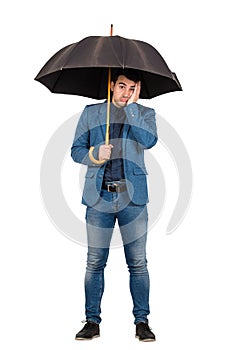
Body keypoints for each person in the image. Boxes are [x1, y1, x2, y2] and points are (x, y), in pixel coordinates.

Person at [71, 68, 158, 342]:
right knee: (95, 263)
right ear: (111, 85)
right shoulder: (91, 113)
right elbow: (75, 151)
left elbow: (149, 141)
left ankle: (142, 322)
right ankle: (92, 321)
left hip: (133, 199)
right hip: (99, 198)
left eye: (132, 88)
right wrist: (95, 154)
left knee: (138, 263)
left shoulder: (145, 114)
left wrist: (132, 109)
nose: (126, 92)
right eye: (121, 86)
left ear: (138, 90)